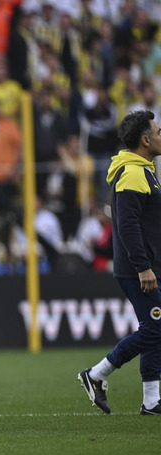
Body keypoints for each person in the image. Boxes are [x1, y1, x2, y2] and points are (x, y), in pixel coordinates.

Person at [79, 109, 161, 415]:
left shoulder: (142, 169)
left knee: (154, 327)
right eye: (158, 131)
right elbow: (126, 225)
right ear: (145, 139)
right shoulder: (133, 174)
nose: (160, 135)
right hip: (139, 269)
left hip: (147, 265)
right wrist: (143, 266)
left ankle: (152, 401)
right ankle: (96, 374)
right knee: (155, 329)